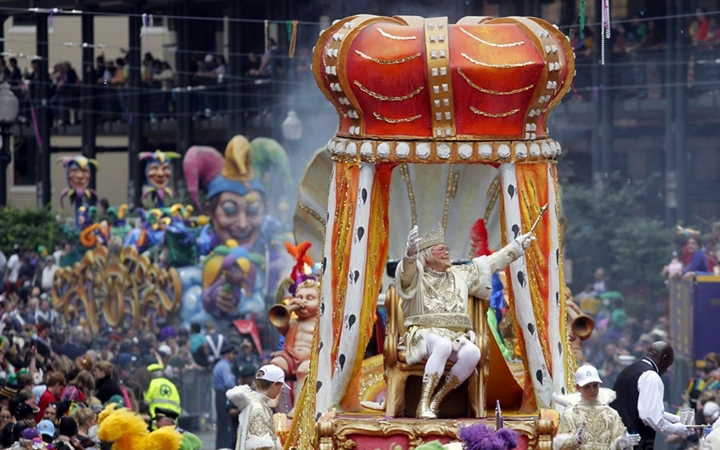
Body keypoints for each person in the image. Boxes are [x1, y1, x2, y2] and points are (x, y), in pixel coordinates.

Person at [395, 225, 533, 418]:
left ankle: (436, 401)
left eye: (446, 248)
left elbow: (491, 263)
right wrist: (410, 254)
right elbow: (406, 273)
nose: (447, 252)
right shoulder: (417, 276)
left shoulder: (460, 274)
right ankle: (423, 404)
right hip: (424, 334)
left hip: (454, 335)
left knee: (473, 352)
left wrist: (516, 247)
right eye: (441, 249)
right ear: (427, 257)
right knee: (442, 346)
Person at [609, 341, 693, 449]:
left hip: (618, 438)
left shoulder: (630, 370)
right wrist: (676, 429)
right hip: (636, 442)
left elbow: (643, 407)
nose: (667, 370)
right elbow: (649, 416)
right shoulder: (651, 376)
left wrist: (674, 419)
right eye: (668, 364)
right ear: (663, 359)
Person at [554, 365, 640, 449]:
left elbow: (618, 440)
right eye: (587, 386)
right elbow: (560, 446)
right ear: (578, 388)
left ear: (599, 385)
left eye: (595, 385)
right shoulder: (570, 414)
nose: (592, 390)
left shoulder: (611, 414)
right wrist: (575, 441)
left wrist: (620, 444)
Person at [270, 279, 319, 408]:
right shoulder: (293, 322)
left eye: (309, 298)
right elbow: (280, 325)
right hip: (291, 359)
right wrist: (290, 307)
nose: (303, 301)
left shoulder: (320, 323)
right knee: (276, 364)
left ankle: (297, 407)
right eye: (299, 297)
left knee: (304, 370)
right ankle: (273, 398)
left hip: (310, 360)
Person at [226, 364, 287, 450]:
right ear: (274, 385)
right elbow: (260, 446)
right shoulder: (258, 408)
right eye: (280, 386)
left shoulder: (255, 403)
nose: (280, 390)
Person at [212, 341, 236, 450]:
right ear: (228, 354)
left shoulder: (220, 364)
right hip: (224, 395)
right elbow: (228, 383)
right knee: (226, 422)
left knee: (221, 422)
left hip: (219, 395)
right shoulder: (225, 366)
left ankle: (220, 446)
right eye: (232, 353)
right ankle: (225, 446)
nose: (233, 356)